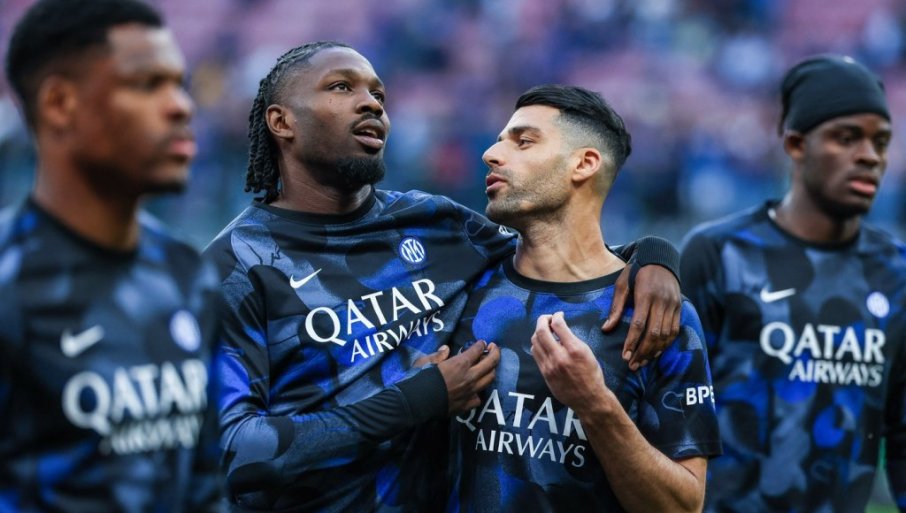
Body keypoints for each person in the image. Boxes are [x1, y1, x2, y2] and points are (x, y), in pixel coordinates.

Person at [205, 41, 684, 512]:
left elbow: (560, 253)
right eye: (341, 87)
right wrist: (417, 400)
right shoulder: (234, 266)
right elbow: (230, 451)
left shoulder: (433, 223)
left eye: (378, 94)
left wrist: (652, 256)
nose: (371, 103)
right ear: (281, 121)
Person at [446, 84, 721, 513]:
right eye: (500, 140)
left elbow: (683, 507)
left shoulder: (657, 315)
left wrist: (596, 405)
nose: (491, 154)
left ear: (584, 163)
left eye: (523, 141)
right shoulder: (459, 282)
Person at [0, 0, 223, 511]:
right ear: (60, 104)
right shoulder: (9, 284)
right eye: (147, 85)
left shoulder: (186, 273)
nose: (181, 106)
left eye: (180, 84)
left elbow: (204, 484)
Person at [680, 54, 906, 513]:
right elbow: (669, 412)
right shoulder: (720, 254)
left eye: (881, 142)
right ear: (796, 144)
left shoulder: (897, 273)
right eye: (847, 138)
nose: (870, 156)